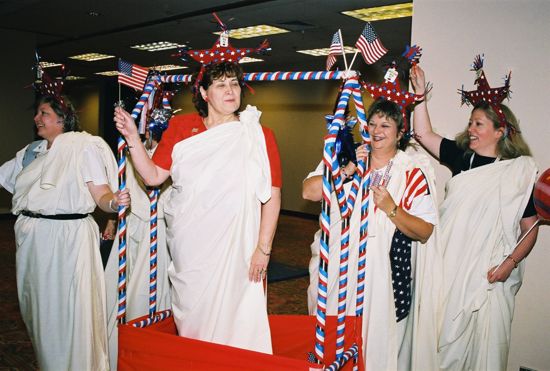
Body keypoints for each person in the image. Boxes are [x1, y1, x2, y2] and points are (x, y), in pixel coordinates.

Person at [113, 61, 282, 354]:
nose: (230, 91)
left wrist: (263, 248)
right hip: (190, 244)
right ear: (204, 93)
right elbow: (153, 177)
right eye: (221, 85)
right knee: (194, 320)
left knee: (238, 321)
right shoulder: (180, 127)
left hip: (238, 248)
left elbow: (273, 194)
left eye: (234, 84)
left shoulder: (257, 133)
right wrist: (132, 138)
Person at [410, 63, 539, 370]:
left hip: (489, 274)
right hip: (448, 265)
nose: (470, 129)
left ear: (500, 131)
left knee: (484, 350)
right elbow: (423, 132)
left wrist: (508, 265)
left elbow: (530, 228)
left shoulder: (519, 173)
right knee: (439, 339)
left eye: (479, 124)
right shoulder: (462, 156)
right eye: (471, 122)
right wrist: (419, 94)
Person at [303, 98, 439, 370]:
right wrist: (344, 171)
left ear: (400, 133)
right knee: (330, 343)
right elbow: (309, 191)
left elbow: (424, 231)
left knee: (376, 349)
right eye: (372, 123)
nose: (376, 130)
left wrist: (392, 209)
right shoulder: (347, 156)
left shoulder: (410, 173)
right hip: (337, 267)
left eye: (385, 125)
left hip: (384, 275)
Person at [0, 94, 130, 370]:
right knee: (37, 310)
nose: (37, 118)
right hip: (31, 238)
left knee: (67, 311)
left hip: (67, 239)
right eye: (37, 113)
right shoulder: (31, 152)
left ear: (63, 118)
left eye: (44, 113)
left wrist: (113, 203)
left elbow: (101, 193)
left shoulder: (82, 146)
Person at [104, 127, 172, 370]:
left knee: (144, 292)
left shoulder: (171, 152)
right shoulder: (131, 150)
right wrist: (112, 221)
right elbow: (120, 185)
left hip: (157, 231)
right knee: (119, 285)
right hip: (131, 226)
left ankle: (142, 346)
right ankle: (113, 347)